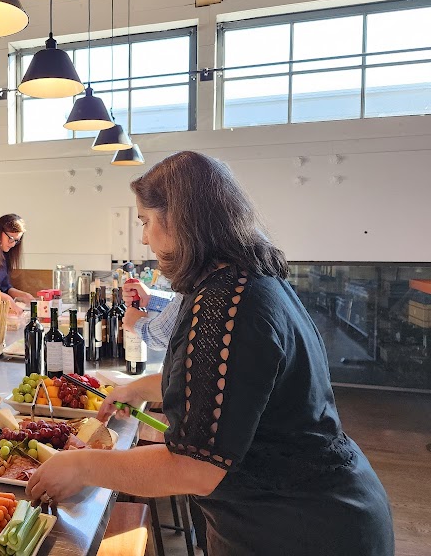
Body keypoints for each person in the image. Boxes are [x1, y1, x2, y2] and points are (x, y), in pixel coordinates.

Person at [27, 151, 394, 556]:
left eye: (145, 222)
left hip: (300, 526)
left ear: (179, 220)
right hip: (315, 510)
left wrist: (82, 466)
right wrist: (138, 388)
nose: (145, 238)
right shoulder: (242, 280)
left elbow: (194, 468)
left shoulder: (224, 304)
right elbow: (229, 384)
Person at [0, 214, 35, 315]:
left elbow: (5, 287)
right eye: (11, 238)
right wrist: (6, 298)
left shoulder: (4, 252)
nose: (13, 244)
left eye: (17, 240)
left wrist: (23, 296)